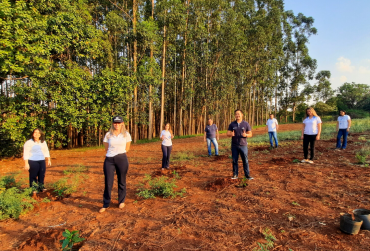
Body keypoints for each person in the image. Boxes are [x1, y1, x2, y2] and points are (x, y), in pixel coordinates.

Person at [100, 116, 131, 213]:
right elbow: (106, 147)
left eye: (118, 123)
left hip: (122, 158)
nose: (116, 125)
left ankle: (121, 201)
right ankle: (106, 203)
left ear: (122, 123)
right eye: (115, 123)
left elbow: (127, 148)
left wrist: (119, 153)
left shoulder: (126, 134)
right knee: (108, 182)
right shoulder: (108, 135)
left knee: (122, 180)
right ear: (112, 123)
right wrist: (112, 153)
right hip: (109, 159)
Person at [227, 109, 253, 180]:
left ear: (242, 115)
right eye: (236, 114)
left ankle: (247, 175)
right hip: (234, 145)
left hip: (243, 145)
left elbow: (250, 134)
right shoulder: (232, 124)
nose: (237, 115)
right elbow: (227, 133)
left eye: (239, 114)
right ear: (235, 115)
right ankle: (235, 175)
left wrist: (246, 135)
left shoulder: (246, 124)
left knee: (245, 160)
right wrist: (231, 134)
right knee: (235, 160)